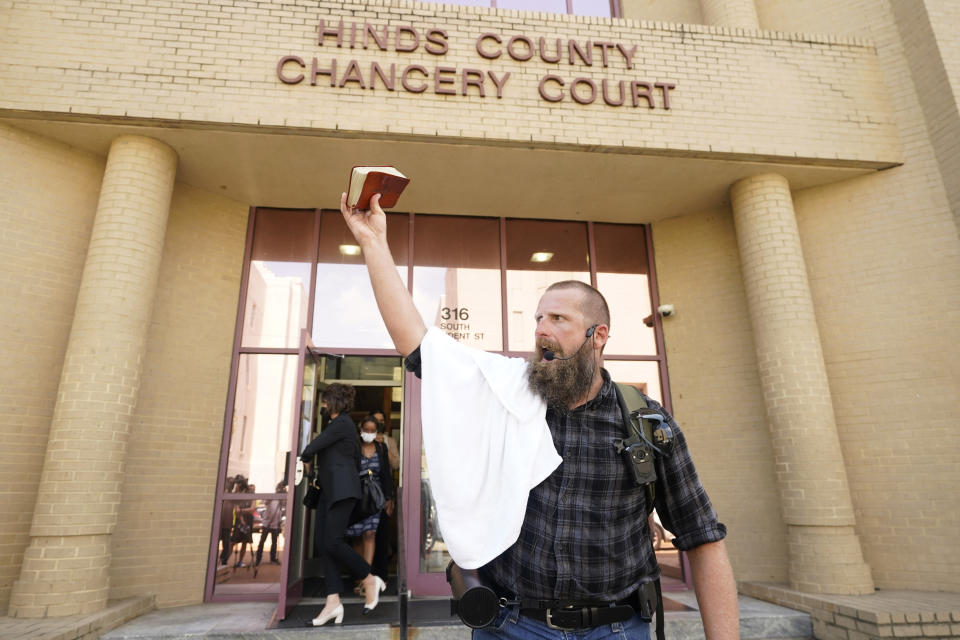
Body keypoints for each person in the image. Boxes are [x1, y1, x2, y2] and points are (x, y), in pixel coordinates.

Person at [340, 192, 739, 639]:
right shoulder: (509, 391)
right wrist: (374, 244)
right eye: (537, 319)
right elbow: (419, 345)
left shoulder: (647, 423)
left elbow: (702, 537)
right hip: (511, 625)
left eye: (557, 319)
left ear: (598, 335)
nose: (541, 330)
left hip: (616, 629)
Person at [300, 383, 387, 626]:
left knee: (332, 542)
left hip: (343, 493)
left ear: (336, 402)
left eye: (326, 401)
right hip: (330, 492)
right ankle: (333, 601)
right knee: (324, 544)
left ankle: (369, 578)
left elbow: (311, 448)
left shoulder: (342, 424)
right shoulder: (336, 426)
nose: (323, 405)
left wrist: (304, 458)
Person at [346, 416, 394, 593]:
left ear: (377, 431)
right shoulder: (354, 447)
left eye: (372, 430)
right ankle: (359, 576)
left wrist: (389, 498)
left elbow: (386, 475)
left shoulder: (381, 448)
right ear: (360, 429)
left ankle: (367, 579)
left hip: (375, 497)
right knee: (357, 537)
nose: (369, 433)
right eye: (366, 429)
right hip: (356, 496)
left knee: (370, 534)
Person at [256, 481, 285, 567]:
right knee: (262, 541)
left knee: (274, 542)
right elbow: (266, 502)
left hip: (275, 524)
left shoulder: (280, 500)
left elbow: (280, 511)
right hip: (267, 523)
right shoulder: (272, 497)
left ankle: (273, 558)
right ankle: (258, 558)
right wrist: (275, 495)